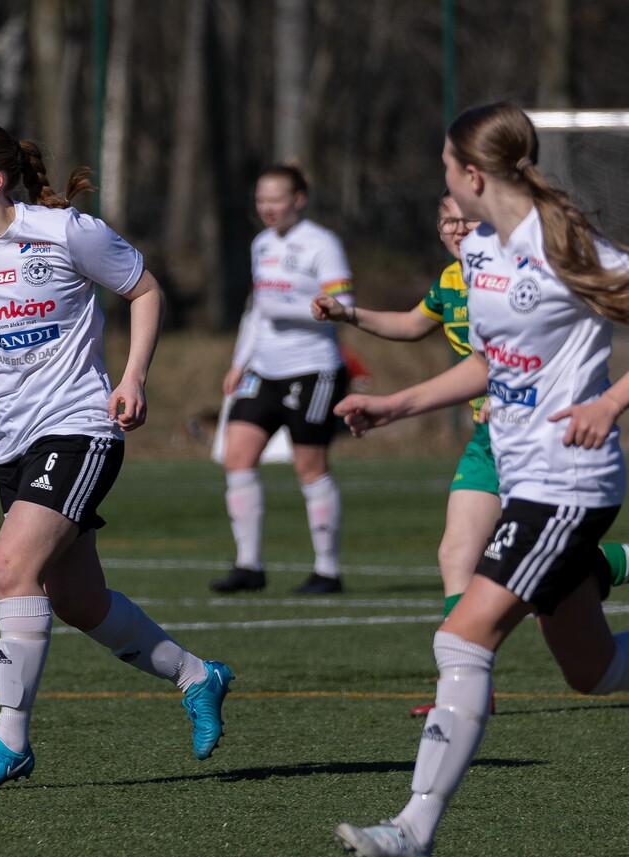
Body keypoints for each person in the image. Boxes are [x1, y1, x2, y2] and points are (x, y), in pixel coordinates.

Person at [334, 101, 629, 857]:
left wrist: (610, 401)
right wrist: (395, 404)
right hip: (526, 478)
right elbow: (489, 364)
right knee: (592, 671)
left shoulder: (564, 244)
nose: (442, 183)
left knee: (462, 636)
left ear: (472, 174)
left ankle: (411, 830)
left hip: (568, 483)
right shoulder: (482, 253)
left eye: (444, 167)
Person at [0, 120, 233, 791]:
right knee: (76, 599)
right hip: (15, 443)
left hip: (81, 428)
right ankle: (197, 675)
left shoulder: (67, 233)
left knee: (13, 565)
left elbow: (145, 290)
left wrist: (134, 377)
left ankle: (10, 741)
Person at [314, 195, 629, 719]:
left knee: (583, 659)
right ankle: (461, 684)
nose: (457, 227)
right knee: (456, 554)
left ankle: (603, 563)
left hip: (554, 454)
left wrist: (608, 403)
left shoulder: (550, 259)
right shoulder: (461, 276)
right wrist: (390, 395)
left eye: (466, 215)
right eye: (447, 218)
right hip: (491, 442)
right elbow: (468, 355)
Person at [209, 164, 354, 595]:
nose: (267, 207)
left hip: (311, 370)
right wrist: (239, 362)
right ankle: (248, 565)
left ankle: (327, 571)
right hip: (263, 371)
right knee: (237, 456)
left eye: (276, 199)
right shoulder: (261, 244)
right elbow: (257, 310)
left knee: (309, 467)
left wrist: (289, 309)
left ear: (298, 199)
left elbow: (343, 303)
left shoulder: (322, 243)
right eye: (261, 199)